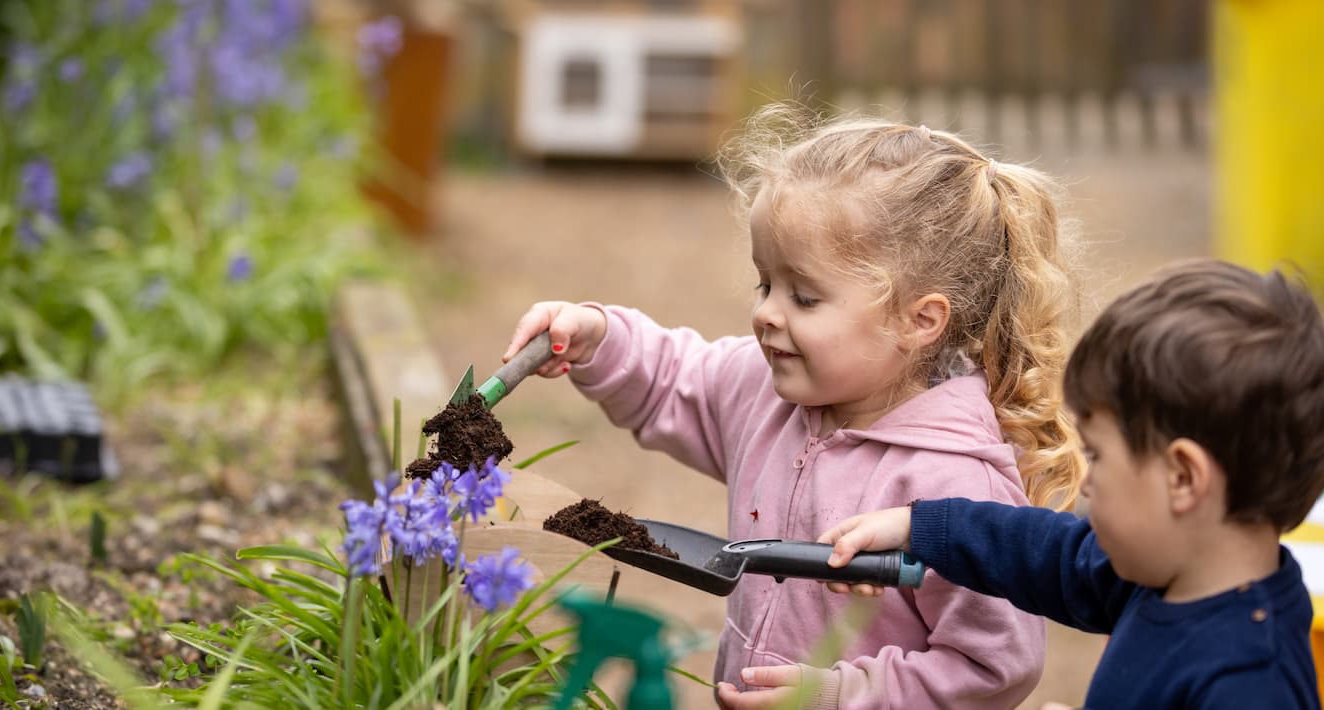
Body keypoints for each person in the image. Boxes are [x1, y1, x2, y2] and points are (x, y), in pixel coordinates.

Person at [503, 105, 1086, 709]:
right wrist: (599, 337)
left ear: (920, 321)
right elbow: (676, 375)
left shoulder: (955, 488)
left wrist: (842, 696)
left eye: (804, 296)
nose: (766, 313)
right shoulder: (768, 391)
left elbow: (996, 663)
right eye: (765, 284)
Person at [820, 259, 1324, 709]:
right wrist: (919, 526)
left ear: (1182, 477)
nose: (1086, 487)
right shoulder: (1159, 574)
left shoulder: (1251, 682)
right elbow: (1047, 552)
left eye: (1099, 457)